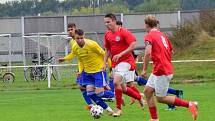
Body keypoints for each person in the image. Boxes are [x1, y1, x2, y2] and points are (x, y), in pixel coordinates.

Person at [141, 15, 198, 121]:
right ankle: (154, 119)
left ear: (147, 25)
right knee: (148, 91)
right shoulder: (162, 35)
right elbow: (171, 51)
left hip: (161, 70)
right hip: (162, 68)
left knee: (161, 98)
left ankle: (190, 105)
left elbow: (148, 52)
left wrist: (144, 69)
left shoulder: (149, 36)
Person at [103, 13, 144, 117]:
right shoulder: (107, 34)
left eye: (108, 22)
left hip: (126, 61)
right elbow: (107, 50)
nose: (106, 24)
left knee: (116, 82)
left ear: (114, 21)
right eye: (105, 23)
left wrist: (120, 54)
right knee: (124, 89)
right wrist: (104, 63)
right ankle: (139, 97)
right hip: (115, 63)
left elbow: (133, 44)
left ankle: (118, 109)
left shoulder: (124, 32)